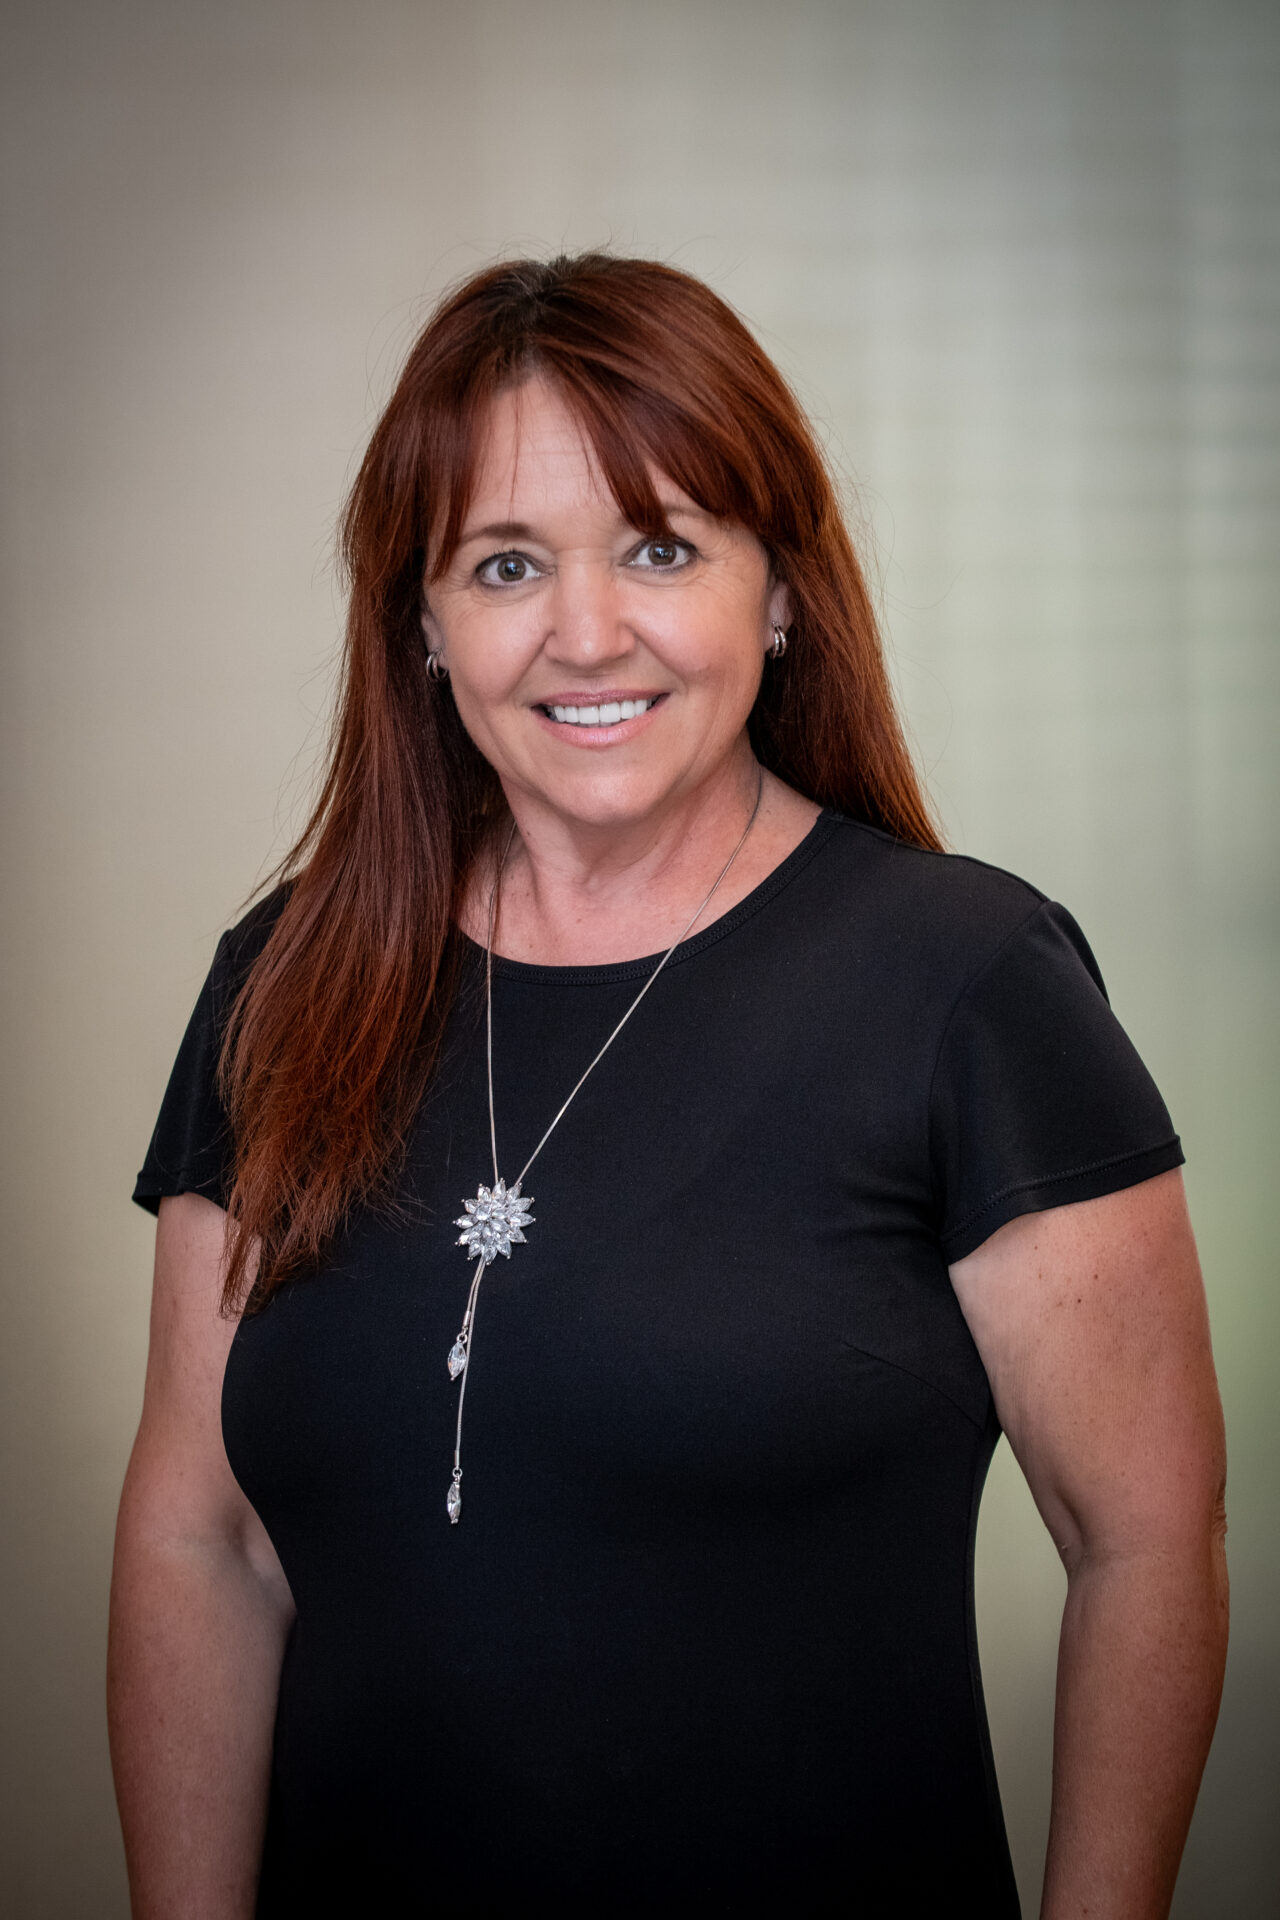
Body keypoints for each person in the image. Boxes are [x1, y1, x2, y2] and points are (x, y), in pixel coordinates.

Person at [108, 252, 1227, 1918]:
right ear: (420, 622)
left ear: (778, 593)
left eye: (660, 547)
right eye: (503, 563)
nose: (586, 631)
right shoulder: (283, 987)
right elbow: (207, 1540)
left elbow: (1143, 1546)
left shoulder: (971, 986)